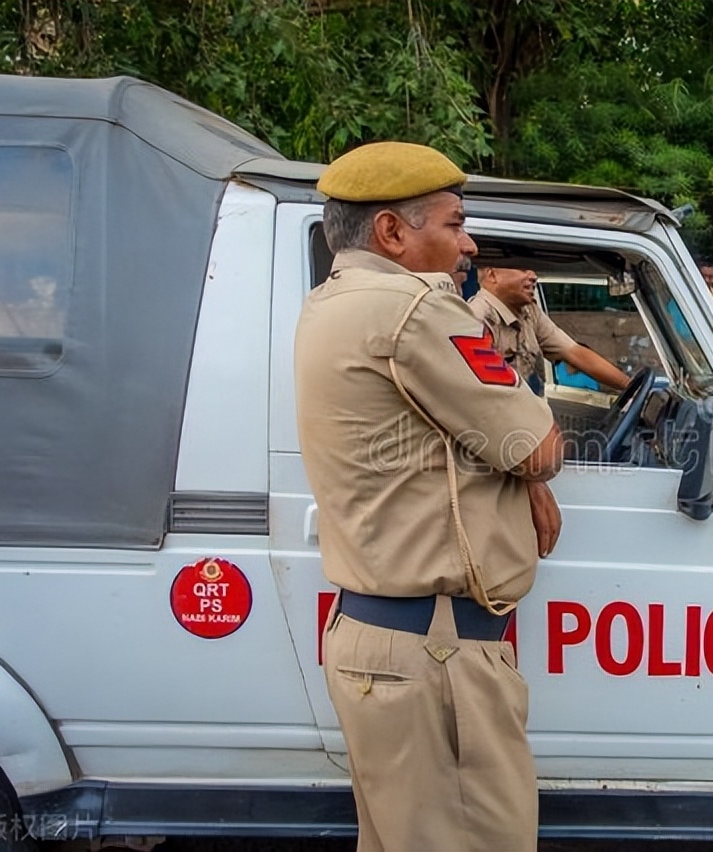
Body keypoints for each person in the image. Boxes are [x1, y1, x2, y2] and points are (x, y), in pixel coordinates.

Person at [293, 141, 565, 851]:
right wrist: (533, 475)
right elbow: (537, 446)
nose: (469, 243)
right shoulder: (415, 310)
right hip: (436, 654)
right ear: (391, 231)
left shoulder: (329, 302)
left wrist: (523, 478)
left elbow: (442, 444)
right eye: (453, 223)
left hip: (382, 639)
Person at [468, 266, 630, 394]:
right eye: (523, 270)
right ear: (492, 275)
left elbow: (575, 353)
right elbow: (483, 394)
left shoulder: (528, 312)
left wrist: (629, 386)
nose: (533, 276)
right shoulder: (477, 318)